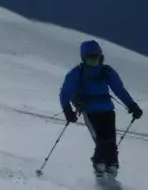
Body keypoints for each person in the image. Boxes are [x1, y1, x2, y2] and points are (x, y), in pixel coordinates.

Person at [59, 40, 143, 177]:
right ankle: (99, 163)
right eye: (90, 57)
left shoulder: (106, 71)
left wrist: (132, 106)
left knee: (110, 139)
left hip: (107, 110)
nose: (93, 60)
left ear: (100, 56)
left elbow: (119, 90)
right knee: (101, 139)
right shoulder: (77, 73)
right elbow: (65, 92)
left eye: (96, 57)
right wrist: (67, 110)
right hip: (90, 111)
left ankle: (112, 164)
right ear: (84, 58)